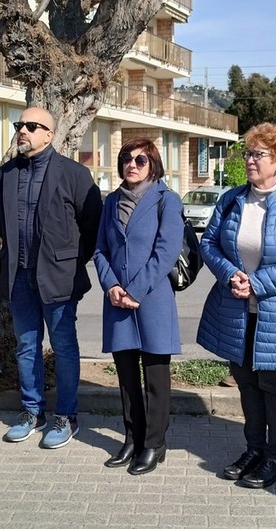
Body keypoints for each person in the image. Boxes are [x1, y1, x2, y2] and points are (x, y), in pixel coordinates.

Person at [196, 123, 276, 489]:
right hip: (236, 310)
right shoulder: (232, 199)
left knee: (273, 384)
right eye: (248, 153)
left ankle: (275, 458)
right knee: (246, 382)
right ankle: (253, 449)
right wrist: (230, 275)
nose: (250, 160)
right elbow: (209, 244)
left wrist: (258, 283)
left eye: (258, 154)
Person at [0, 106, 102, 449]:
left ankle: (66, 415)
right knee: (26, 346)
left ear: (50, 134)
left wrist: (70, 262)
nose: (23, 130)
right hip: (18, 276)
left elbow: (92, 226)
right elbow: (0, 222)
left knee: (64, 346)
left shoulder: (74, 174)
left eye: (32, 126)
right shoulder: (4, 175)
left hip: (58, 278)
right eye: (19, 124)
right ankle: (32, 411)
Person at [93, 138, 182, 474]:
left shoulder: (166, 200)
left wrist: (136, 290)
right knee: (127, 376)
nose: (131, 164)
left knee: (156, 377)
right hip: (117, 300)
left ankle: (154, 444)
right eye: (126, 158)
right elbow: (100, 249)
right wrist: (112, 285)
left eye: (140, 160)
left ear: (153, 165)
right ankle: (133, 437)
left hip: (152, 299)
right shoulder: (111, 201)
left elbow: (166, 252)